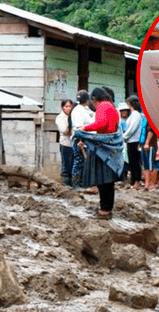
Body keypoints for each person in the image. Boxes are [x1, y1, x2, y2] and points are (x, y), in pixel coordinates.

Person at [74, 87, 123, 220]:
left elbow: (100, 125)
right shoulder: (111, 106)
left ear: (94, 100)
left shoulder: (103, 106)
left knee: (103, 181)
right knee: (108, 182)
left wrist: (84, 129)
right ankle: (106, 209)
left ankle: (104, 210)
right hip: (109, 146)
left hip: (103, 148)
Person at [70, 90, 93, 188]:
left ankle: (81, 184)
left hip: (82, 139)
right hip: (79, 139)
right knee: (78, 162)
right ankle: (76, 185)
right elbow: (79, 128)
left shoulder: (82, 109)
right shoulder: (79, 110)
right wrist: (81, 141)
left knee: (81, 162)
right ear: (87, 100)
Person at [123, 96, 143, 190]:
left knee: (135, 162)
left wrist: (124, 136)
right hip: (130, 141)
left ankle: (137, 182)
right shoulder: (133, 114)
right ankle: (133, 181)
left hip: (134, 141)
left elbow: (132, 129)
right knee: (132, 162)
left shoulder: (136, 115)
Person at [55, 99, 74, 186]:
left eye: (70, 106)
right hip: (65, 144)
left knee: (73, 166)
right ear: (62, 107)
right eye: (66, 106)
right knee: (66, 166)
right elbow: (64, 131)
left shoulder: (74, 116)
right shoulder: (60, 118)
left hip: (74, 144)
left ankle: (72, 185)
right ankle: (65, 185)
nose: (68, 108)